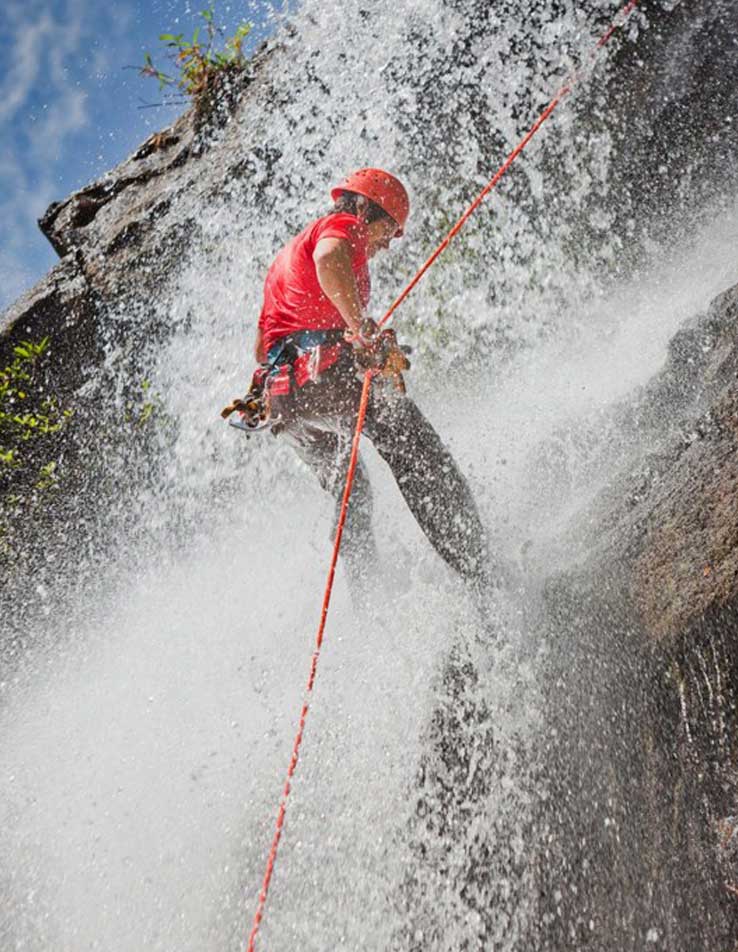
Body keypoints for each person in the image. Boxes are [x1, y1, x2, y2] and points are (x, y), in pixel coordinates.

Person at [245, 168, 489, 603]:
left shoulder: (285, 259)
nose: (390, 242)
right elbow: (330, 259)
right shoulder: (342, 227)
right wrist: (361, 332)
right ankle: (481, 568)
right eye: (390, 229)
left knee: (351, 493)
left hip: (282, 403)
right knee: (412, 444)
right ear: (364, 209)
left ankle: (368, 599)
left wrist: (349, 338)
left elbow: (265, 345)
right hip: (318, 376)